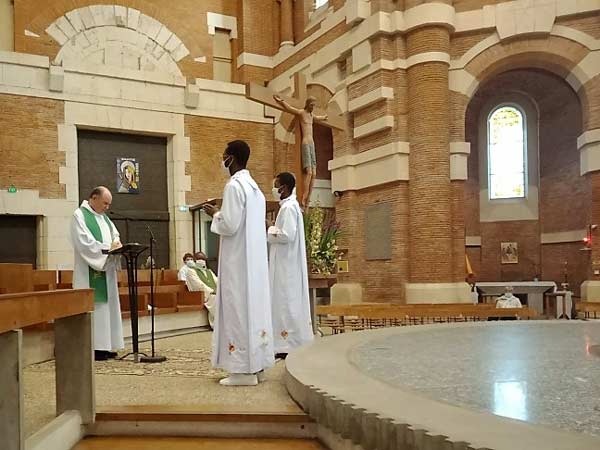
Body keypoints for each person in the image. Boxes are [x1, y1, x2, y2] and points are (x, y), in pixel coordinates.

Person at [203, 140, 274, 386]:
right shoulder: (255, 189)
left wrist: (215, 214)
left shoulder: (234, 186)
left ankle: (241, 371)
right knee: (254, 311)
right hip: (254, 265)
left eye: (224, 155)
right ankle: (257, 366)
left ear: (231, 158)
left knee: (237, 311)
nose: (222, 159)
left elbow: (230, 225)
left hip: (238, 264)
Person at [70, 186, 124, 361]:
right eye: (105, 203)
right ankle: (94, 347)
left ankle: (107, 345)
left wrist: (116, 244)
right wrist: (107, 248)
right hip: (89, 271)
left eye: (109, 204)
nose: (107, 207)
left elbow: (115, 235)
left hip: (106, 271)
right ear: (94, 198)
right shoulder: (79, 215)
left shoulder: (105, 219)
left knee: (108, 307)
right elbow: (84, 242)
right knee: (96, 308)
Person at [268, 172, 313, 359]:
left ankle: (287, 344)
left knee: (285, 302)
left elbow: (287, 235)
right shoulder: (291, 206)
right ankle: (288, 342)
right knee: (286, 302)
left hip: (286, 267)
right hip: (287, 263)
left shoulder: (288, 208)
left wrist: (269, 227)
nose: (273, 189)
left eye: (276, 185)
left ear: (283, 188)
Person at [273, 94, 327, 208]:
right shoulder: (302, 113)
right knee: (309, 172)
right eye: (311, 105)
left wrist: (324, 117)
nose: (313, 107)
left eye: (314, 105)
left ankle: (309, 197)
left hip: (312, 144)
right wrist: (281, 101)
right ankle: (304, 196)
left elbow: (318, 118)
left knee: (314, 173)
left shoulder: (311, 116)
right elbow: (290, 108)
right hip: (306, 143)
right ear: (307, 104)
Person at [190, 252, 218, 329]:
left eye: (203, 259)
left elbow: (217, 281)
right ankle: (215, 324)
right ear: (195, 260)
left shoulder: (209, 271)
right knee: (215, 299)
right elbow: (199, 285)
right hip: (202, 295)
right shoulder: (191, 271)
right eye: (199, 259)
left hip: (213, 293)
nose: (201, 261)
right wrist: (211, 291)